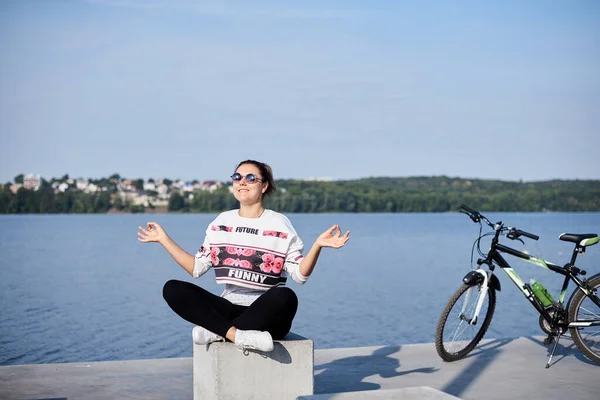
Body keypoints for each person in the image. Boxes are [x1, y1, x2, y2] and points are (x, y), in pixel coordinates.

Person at [137, 160, 350, 352]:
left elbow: (300, 275)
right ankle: (235, 335)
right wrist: (164, 240)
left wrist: (318, 246)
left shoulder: (280, 224)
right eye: (237, 177)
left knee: (286, 297)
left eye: (251, 178)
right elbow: (196, 268)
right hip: (228, 308)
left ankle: (218, 331)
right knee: (172, 288)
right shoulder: (221, 223)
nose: (242, 182)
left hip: (267, 314)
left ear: (264, 186)